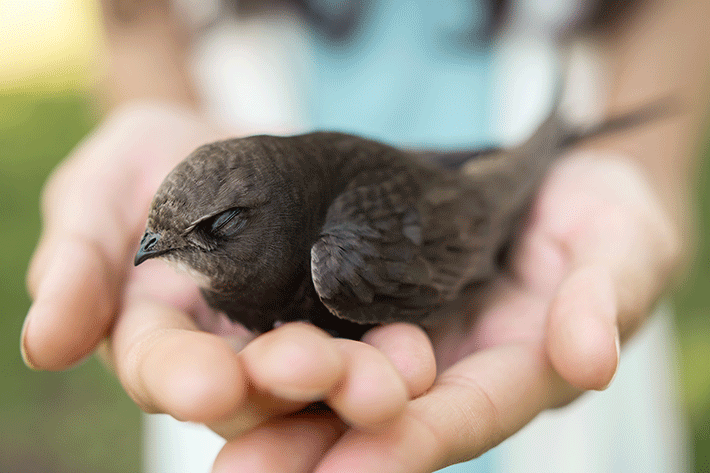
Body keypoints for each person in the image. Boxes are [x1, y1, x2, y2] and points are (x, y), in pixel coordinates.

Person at [21, 0, 707, 471]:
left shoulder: (341, 260)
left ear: (258, 220)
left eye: (211, 232)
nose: (157, 251)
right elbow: (138, 16)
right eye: (162, 233)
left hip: (514, 342)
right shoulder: (258, 206)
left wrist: (640, 165)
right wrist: (154, 103)